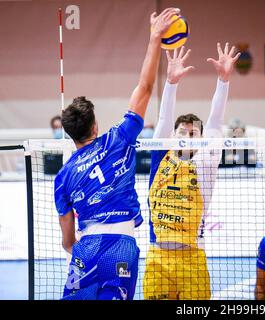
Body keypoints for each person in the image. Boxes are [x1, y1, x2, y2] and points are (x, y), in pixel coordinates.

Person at [53, 8, 180, 300]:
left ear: (70, 133)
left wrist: (84, 249)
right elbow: (146, 88)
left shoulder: (63, 177)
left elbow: (67, 240)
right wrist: (154, 39)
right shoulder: (118, 139)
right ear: (95, 126)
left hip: (86, 248)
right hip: (123, 244)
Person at [143, 43, 240, 300]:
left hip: (192, 259)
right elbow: (164, 120)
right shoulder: (159, 156)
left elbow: (216, 121)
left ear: (201, 138)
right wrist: (171, 83)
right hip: (157, 258)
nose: (187, 137)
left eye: (193, 133)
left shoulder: (206, 163)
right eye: (182, 133)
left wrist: (223, 80)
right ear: (172, 137)